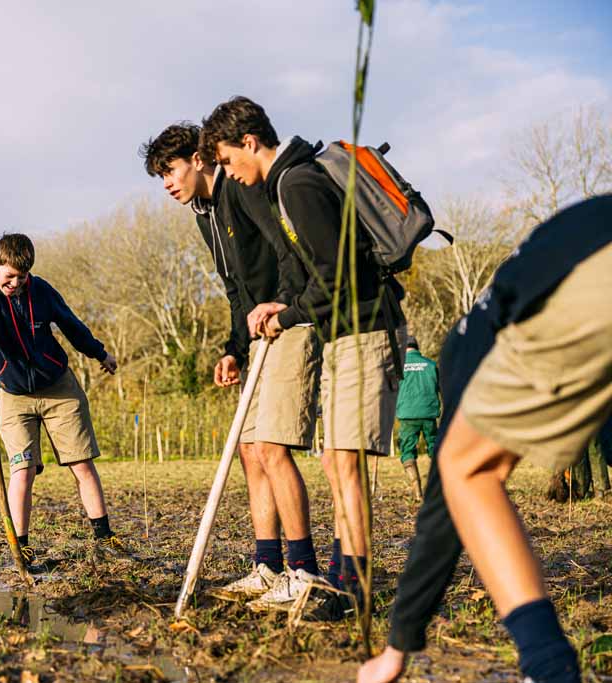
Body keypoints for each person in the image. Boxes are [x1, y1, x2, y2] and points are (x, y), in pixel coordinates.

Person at [358, 195, 612, 683]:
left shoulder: (463, 349)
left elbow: (444, 510)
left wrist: (398, 645)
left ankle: (549, 667)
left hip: (596, 274)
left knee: (466, 470)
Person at [201, 96, 408, 620]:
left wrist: (288, 315)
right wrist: (285, 304)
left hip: (368, 329)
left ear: (249, 143)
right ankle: (341, 582)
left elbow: (341, 277)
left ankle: (350, 588)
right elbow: (323, 275)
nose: (229, 172)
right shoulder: (286, 183)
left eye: (226, 160)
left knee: (346, 463)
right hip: (343, 334)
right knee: (338, 461)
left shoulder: (297, 184)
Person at [139, 123, 327, 610]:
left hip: (289, 324)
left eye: (171, 170)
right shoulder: (205, 214)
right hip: (257, 334)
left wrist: (281, 308)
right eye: (160, 176)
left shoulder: (240, 191)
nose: (167, 183)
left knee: (271, 447)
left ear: (198, 160)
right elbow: (234, 289)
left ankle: (303, 571)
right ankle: (266, 568)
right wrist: (232, 347)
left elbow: (287, 251)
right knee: (249, 450)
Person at [0, 233, 126, 567]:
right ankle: (23, 548)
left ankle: (105, 537)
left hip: (59, 388)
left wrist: (99, 353)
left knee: (82, 464)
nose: (15, 283)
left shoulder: (40, 290)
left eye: (22, 277)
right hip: (14, 396)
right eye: (9, 276)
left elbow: (72, 325)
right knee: (23, 470)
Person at [395, 335, 440, 500]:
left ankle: (417, 492)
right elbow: (440, 388)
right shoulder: (431, 365)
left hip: (407, 415)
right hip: (429, 414)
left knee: (407, 451)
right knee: (435, 448)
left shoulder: (398, 367)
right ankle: (437, 488)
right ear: (417, 347)